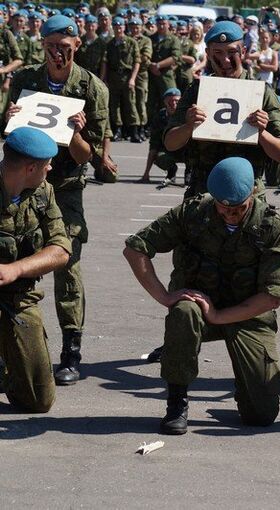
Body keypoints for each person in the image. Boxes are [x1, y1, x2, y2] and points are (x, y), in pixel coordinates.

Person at [123, 157, 280, 435]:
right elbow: (135, 248)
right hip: (199, 308)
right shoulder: (193, 213)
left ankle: (247, 390)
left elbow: (271, 296)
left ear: (253, 194)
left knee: (260, 416)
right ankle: (177, 402)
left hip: (247, 313)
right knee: (182, 312)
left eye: (238, 208)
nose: (230, 215)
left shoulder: (270, 226)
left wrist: (219, 315)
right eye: (223, 208)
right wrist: (164, 296)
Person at [6, 14, 109, 386]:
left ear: (76, 46)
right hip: (24, 183)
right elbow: (9, 134)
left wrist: (77, 134)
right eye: (51, 46)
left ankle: (71, 351)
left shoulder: (92, 88)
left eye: (64, 48)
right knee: (12, 260)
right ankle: (10, 346)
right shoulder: (25, 79)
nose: (57, 54)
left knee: (67, 264)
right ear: (42, 44)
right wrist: (10, 116)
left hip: (64, 187)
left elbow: (87, 157)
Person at [164, 21, 280, 200]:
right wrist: (188, 126)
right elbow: (170, 143)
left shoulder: (261, 92)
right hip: (203, 191)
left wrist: (261, 132)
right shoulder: (197, 91)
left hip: (248, 194)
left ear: (243, 52)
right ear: (207, 53)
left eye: (232, 52)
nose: (225, 60)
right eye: (218, 53)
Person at [0, 127, 71, 413]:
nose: (51, 168)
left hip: (18, 296)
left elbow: (61, 250)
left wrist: (15, 269)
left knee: (38, 401)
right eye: (47, 164)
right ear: (31, 167)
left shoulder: (43, 192)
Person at [101, 16, 141, 143]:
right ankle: (118, 130)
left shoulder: (131, 42)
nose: (118, 28)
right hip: (113, 77)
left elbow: (137, 62)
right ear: (113, 27)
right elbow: (105, 63)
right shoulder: (110, 44)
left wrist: (133, 79)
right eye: (116, 26)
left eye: (121, 26)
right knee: (115, 105)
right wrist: (104, 79)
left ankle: (135, 131)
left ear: (124, 27)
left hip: (127, 76)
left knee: (131, 104)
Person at [140, 87, 184, 185]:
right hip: (169, 149)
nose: (173, 104)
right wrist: (146, 174)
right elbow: (154, 145)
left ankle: (190, 173)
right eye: (170, 101)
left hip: (186, 150)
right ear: (164, 101)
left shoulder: (186, 115)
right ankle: (171, 170)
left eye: (176, 101)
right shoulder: (160, 117)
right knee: (159, 157)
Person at [148, 15, 180, 125]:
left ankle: (171, 123)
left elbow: (175, 57)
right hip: (151, 74)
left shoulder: (173, 39)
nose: (161, 26)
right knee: (150, 101)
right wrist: (151, 66)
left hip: (166, 75)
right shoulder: (151, 38)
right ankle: (151, 125)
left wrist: (158, 65)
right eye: (159, 23)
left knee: (171, 100)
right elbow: (145, 54)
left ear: (168, 24)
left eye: (164, 23)